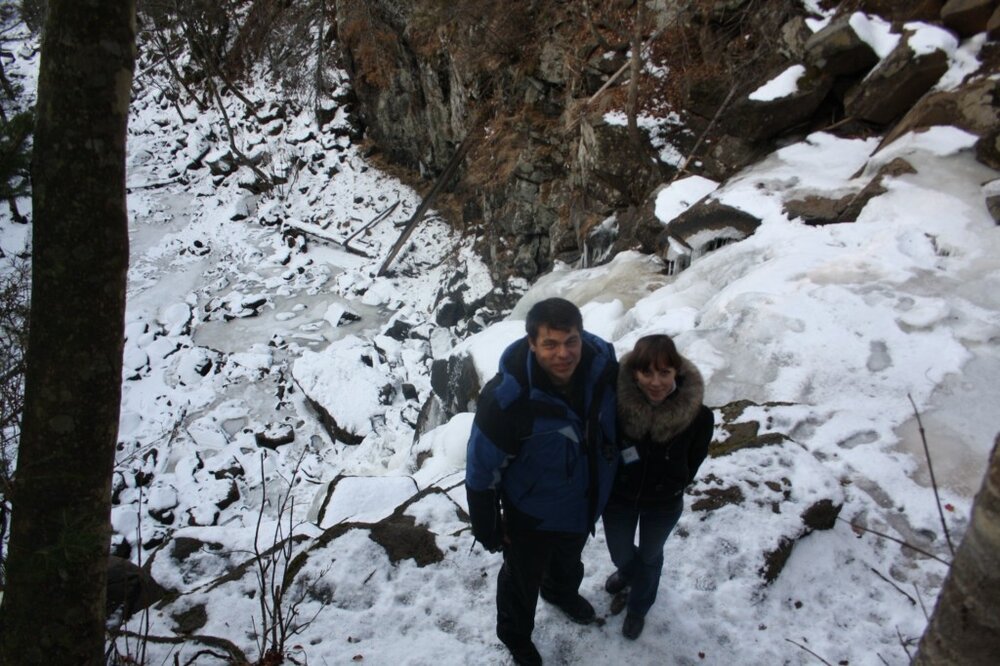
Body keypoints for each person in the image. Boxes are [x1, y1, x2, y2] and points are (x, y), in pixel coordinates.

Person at [465, 297, 619, 666]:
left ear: (581, 336)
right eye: (550, 344)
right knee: (521, 581)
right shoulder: (507, 401)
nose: (563, 353)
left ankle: (560, 592)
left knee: (568, 561)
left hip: (582, 502)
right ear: (532, 343)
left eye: (570, 342)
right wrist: (487, 525)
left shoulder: (604, 373)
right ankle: (516, 636)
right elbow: (482, 469)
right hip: (530, 514)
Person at [602, 334, 713, 640]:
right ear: (634, 373)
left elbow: (695, 459)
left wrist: (674, 483)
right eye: (647, 372)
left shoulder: (699, 417)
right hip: (620, 497)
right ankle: (628, 571)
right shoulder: (616, 407)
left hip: (664, 503)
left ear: (676, 371)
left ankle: (639, 607)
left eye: (664, 372)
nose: (656, 382)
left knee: (651, 557)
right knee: (620, 551)